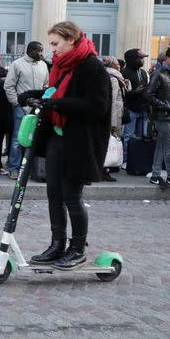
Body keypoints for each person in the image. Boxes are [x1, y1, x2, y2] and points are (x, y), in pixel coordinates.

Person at [20, 21, 110, 270]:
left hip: (80, 142)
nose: (52, 50)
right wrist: (36, 95)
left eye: (55, 43)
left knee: (72, 196)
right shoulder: (62, 66)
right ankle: (57, 243)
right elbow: (56, 93)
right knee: (54, 195)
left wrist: (56, 105)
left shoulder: (92, 67)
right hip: (57, 139)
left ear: (71, 39)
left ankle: (78, 249)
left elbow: (97, 106)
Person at [3, 41, 49, 179]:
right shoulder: (17, 64)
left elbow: (46, 85)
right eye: (39, 51)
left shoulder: (43, 65)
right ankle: (14, 169)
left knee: (33, 139)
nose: (42, 54)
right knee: (18, 139)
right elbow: (9, 86)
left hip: (38, 108)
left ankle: (29, 169)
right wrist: (16, 103)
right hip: (21, 108)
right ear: (31, 51)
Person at [146, 46, 170, 189]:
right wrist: (166, 106)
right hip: (163, 116)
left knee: (162, 146)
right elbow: (148, 94)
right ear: (166, 58)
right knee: (169, 146)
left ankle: (155, 176)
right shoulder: (160, 73)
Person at [121, 48, 150, 166]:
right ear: (133, 59)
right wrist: (134, 92)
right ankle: (126, 161)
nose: (142, 60)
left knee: (142, 136)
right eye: (140, 58)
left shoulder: (143, 73)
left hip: (143, 108)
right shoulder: (124, 73)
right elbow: (122, 93)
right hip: (131, 108)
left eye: (143, 58)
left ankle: (138, 160)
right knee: (128, 136)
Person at [101, 55, 128, 182]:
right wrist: (112, 122)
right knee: (109, 144)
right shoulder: (113, 79)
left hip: (115, 113)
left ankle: (104, 170)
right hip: (114, 116)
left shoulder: (115, 77)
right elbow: (112, 101)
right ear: (112, 65)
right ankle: (104, 171)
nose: (119, 65)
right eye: (117, 63)